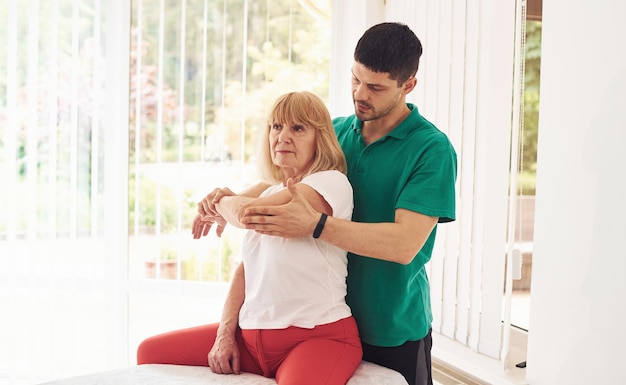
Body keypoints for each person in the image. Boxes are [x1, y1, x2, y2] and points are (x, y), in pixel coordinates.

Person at [195, 22, 458, 385]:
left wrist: (316, 225)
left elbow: (404, 244)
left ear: (408, 86)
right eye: (355, 80)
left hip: (390, 326)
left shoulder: (431, 150)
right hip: (318, 323)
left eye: (376, 87)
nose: (359, 94)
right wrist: (227, 198)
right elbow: (273, 185)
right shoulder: (333, 131)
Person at [137, 91, 362, 385]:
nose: (282, 136)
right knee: (150, 352)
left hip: (317, 337)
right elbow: (247, 270)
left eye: (298, 128)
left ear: (320, 139)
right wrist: (224, 335)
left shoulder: (330, 183)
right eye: (276, 126)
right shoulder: (270, 188)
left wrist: (220, 202)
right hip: (251, 338)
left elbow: (248, 215)